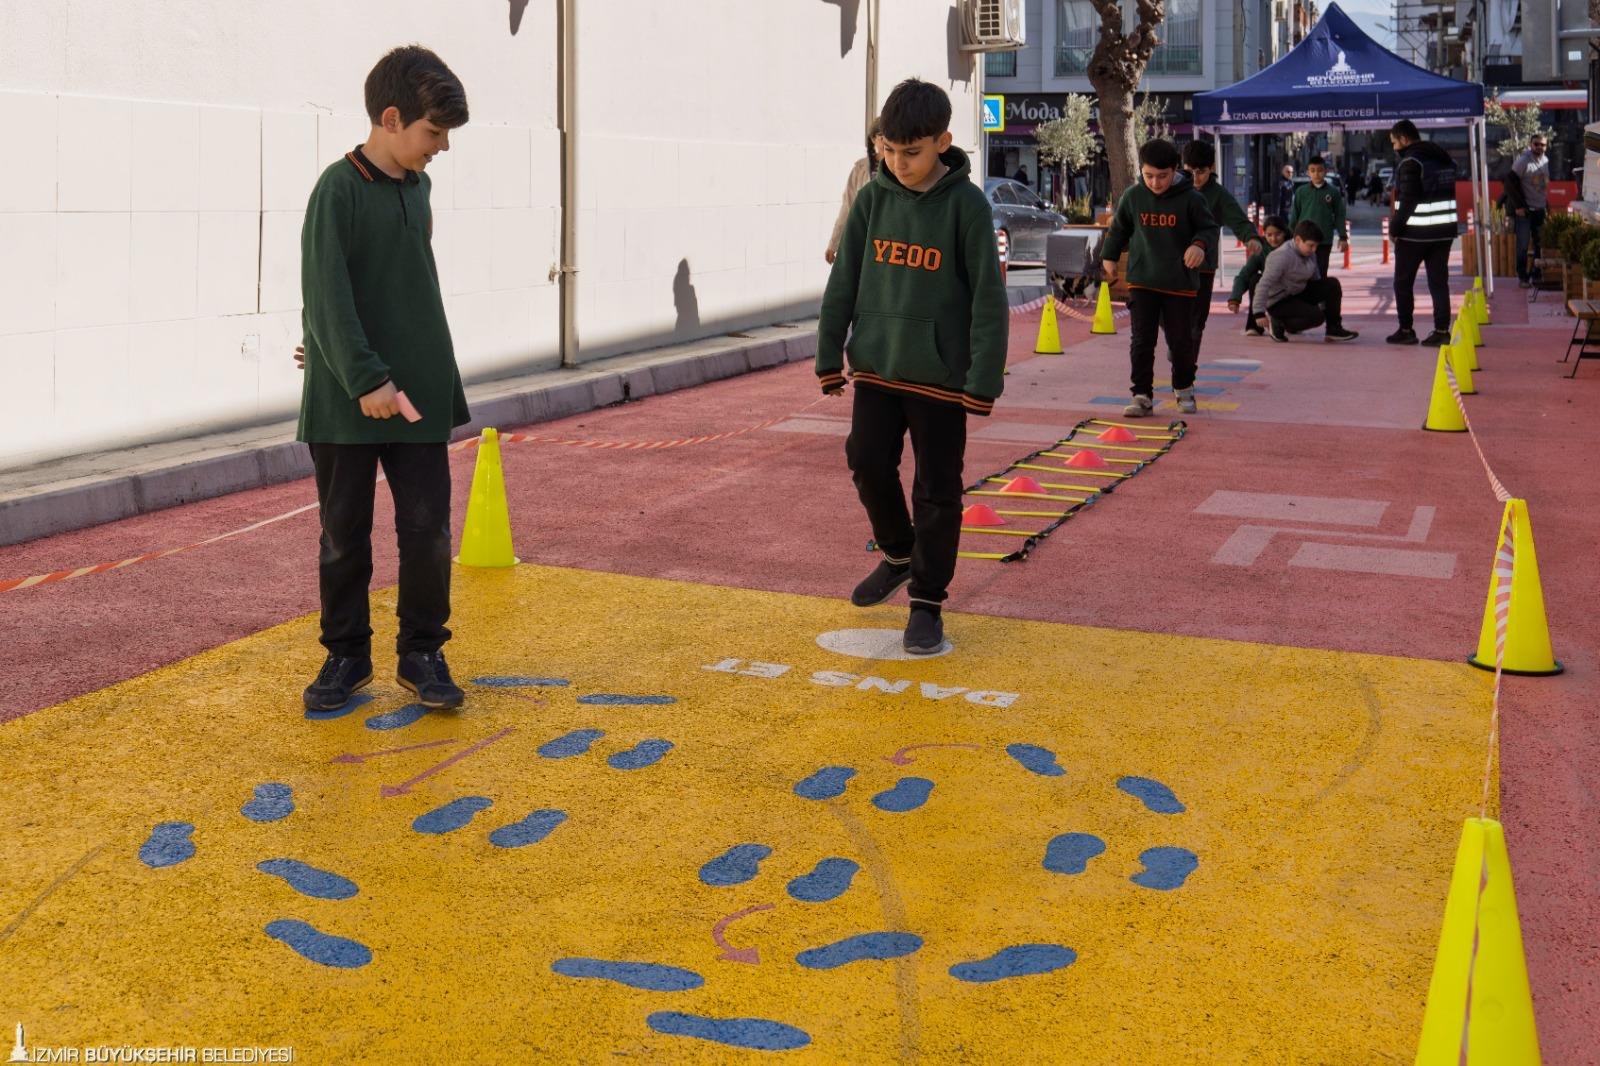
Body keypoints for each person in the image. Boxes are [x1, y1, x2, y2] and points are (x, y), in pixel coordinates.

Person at [296, 45, 472, 713]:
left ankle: (422, 652)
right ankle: (346, 658)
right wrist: (358, 371)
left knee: (427, 531)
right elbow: (326, 288)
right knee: (344, 534)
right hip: (349, 401)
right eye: (434, 132)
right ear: (391, 118)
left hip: (419, 394)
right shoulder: (336, 189)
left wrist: (339, 347)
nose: (442, 147)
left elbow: (389, 285)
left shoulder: (420, 188)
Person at [815, 78, 1007, 654]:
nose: (899, 163)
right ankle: (898, 553)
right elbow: (843, 278)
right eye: (889, 150)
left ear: (943, 141)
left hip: (942, 381)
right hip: (878, 367)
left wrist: (982, 379)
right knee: (866, 460)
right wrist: (829, 353)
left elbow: (988, 302)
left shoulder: (968, 206)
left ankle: (926, 602)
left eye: (913, 152)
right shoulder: (872, 198)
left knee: (937, 490)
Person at [1100, 139, 1216, 418]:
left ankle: (1184, 387)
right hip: (1143, 280)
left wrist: (1198, 245)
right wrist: (1109, 256)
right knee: (1141, 340)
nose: (1155, 182)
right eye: (1148, 175)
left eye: (1162, 176)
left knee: (1180, 340)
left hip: (1179, 283)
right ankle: (1141, 395)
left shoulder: (1192, 198)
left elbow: (1209, 229)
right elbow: (1118, 229)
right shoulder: (1133, 196)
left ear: (1175, 170)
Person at [1178, 139, 1260, 370]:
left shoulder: (1219, 195)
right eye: (1189, 172)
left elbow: (1238, 219)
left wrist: (1251, 237)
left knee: (1196, 322)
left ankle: (1187, 367)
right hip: (1172, 265)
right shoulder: (1174, 188)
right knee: (1171, 318)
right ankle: (1179, 349)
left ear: (1212, 168)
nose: (1195, 178)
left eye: (1201, 172)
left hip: (1203, 268)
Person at [1387, 120, 1457, 346]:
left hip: (1413, 235)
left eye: (1394, 142)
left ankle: (1406, 330)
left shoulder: (1410, 162)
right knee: (1438, 282)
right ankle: (1441, 330)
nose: (1394, 147)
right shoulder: (1443, 158)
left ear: (1404, 139)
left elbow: (1408, 199)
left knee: (1402, 283)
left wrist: (1395, 228)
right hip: (1443, 232)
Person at [1256, 220, 1359, 343]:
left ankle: (1334, 329)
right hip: (1278, 301)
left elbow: (1315, 279)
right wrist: (1259, 312)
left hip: (1298, 291)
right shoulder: (1281, 256)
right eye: (1311, 245)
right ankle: (1278, 322)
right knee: (1317, 317)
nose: (1314, 249)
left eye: (1316, 246)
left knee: (1332, 284)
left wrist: (1323, 299)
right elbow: (1264, 284)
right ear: (1298, 240)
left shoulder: (1309, 252)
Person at [826, 119, 881, 264]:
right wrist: (834, 243)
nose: (886, 140)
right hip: (862, 233)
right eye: (881, 135)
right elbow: (848, 205)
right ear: (873, 139)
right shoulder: (861, 168)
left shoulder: (900, 169)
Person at [1228, 215, 1289, 336]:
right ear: (1264, 234)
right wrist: (1235, 298)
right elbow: (1244, 275)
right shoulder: (1262, 250)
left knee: (1294, 326)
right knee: (1254, 279)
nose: (1274, 239)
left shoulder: (1292, 246)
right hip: (1269, 289)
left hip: (1289, 290)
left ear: (1285, 233)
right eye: (1269, 235)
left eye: (1278, 234)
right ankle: (1254, 325)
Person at [1289, 155, 1348, 278]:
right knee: (1302, 271)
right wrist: (1290, 235)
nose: (1316, 174)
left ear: (1326, 171)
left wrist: (1343, 237)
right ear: (1308, 172)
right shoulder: (1301, 192)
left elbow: (1339, 215)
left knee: (1321, 271)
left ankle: (1321, 296)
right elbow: (1295, 215)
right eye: (1313, 170)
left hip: (1324, 239)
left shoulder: (1333, 192)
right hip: (1303, 239)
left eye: (1320, 170)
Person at [1505, 134, 1549, 288]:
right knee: (1523, 245)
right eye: (1536, 144)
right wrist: (1518, 206)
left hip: (1540, 210)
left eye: (1542, 145)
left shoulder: (1545, 161)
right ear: (1531, 144)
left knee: (1540, 244)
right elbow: (1509, 183)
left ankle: (1536, 275)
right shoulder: (1523, 161)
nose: (1539, 147)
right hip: (1525, 212)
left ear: (1546, 146)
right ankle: (1522, 277)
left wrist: (1546, 206)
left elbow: (1542, 187)